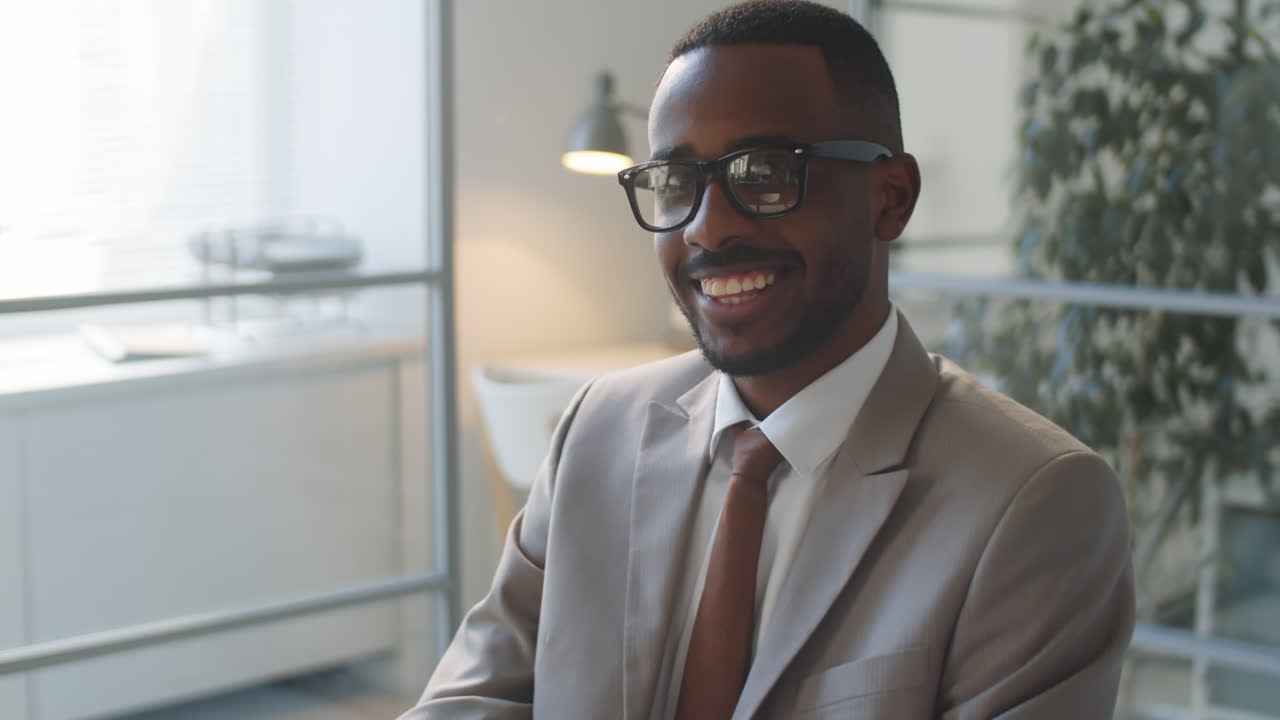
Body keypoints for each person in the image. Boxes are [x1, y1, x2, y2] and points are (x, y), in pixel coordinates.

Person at [400, 1, 1135, 718]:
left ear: (892, 197)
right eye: (677, 182)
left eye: (766, 173)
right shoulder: (598, 428)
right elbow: (480, 693)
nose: (709, 228)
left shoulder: (1034, 502)